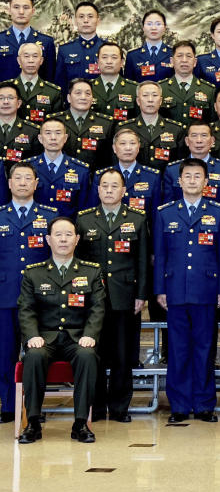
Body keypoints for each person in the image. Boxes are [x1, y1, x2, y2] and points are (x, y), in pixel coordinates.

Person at [154, 158, 220, 423]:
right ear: (179, 180)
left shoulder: (219, 212)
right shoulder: (165, 212)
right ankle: (179, 405)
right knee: (177, 350)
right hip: (174, 290)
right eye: (187, 176)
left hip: (207, 290)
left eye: (198, 176)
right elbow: (160, 256)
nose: (192, 181)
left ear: (206, 182)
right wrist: (159, 289)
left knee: (205, 349)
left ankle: (204, 404)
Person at [17, 216, 105, 444]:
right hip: (44, 338)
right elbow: (26, 310)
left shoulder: (92, 272)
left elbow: (98, 308)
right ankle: (33, 423)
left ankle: (80, 424)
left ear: (77, 239)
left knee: (87, 356)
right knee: (33, 356)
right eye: (58, 235)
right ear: (48, 239)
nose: (63, 239)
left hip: (77, 338)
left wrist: (90, 335)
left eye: (68, 235)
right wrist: (32, 336)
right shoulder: (33, 273)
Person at [76, 169, 149, 423]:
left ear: (123, 190)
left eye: (114, 186)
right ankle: (95, 407)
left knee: (122, 354)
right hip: (92, 299)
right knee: (92, 353)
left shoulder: (137, 219)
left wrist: (142, 294)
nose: (109, 190)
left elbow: (142, 260)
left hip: (124, 295)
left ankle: (119, 407)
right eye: (104, 185)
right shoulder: (84, 219)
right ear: (97, 190)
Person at [0, 162, 57, 425]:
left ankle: (33, 407)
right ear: (9, 184)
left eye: (28, 178)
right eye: (17, 178)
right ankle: (9, 405)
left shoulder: (50, 216)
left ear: (36, 184)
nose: (23, 182)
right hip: (5, 295)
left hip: (40, 299)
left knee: (36, 355)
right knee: (5, 354)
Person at [27, 117, 93, 219]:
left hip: (65, 231)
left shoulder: (80, 170)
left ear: (65, 138)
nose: (53, 137)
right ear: (40, 138)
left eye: (58, 133)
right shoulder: (28, 167)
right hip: (35, 228)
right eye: (48, 133)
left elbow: (82, 210)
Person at [118, 81, 186, 172]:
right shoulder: (125, 128)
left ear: (161, 101)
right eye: (145, 95)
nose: (150, 99)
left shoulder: (175, 129)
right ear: (138, 101)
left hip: (164, 182)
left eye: (154, 95)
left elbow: (180, 164)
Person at [51, 77, 114, 170]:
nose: (83, 97)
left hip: (92, 178)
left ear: (92, 98)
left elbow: (109, 159)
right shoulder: (55, 121)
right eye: (78, 93)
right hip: (61, 176)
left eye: (88, 94)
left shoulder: (106, 123)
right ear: (69, 98)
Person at [103, 127, 162, 214]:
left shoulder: (152, 177)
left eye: (132, 143)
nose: (128, 148)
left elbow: (156, 213)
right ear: (114, 148)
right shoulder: (102, 176)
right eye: (122, 143)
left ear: (138, 147)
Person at [0, 0, 55, 82]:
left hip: (35, 95)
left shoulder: (46, 42)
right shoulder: (1, 40)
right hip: (5, 95)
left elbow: (50, 77)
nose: (21, 12)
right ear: (9, 10)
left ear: (33, 11)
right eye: (16, 7)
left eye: (26, 8)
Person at [158, 40, 217, 124]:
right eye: (179, 56)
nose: (184, 60)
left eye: (189, 56)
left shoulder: (209, 90)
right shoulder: (160, 88)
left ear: (195, 62)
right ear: (171, 61)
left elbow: (212, 122)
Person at [54, 2, 103, 91]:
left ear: (98, 20)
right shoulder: (65, 49)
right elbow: (60, 84)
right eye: (81, 17)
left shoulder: (109, 48)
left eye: (90, 16)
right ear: (75, 21)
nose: (86, 20)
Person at [13, 41, 61, 123]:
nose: (31, 60)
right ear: (19, 60)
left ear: (41, 60)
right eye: (26, 56)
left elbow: (56, 124)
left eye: (35, 56)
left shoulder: (53, 92)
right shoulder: (6, 89)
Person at [90, 42, 138, 122]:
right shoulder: (88, 87)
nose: (109, 61)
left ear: (122, 62)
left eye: (114, 57)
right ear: (98, 61)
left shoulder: (134, 89)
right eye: (104, 57)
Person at [123, 9, 173, 82]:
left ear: (165, 28)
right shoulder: (132, 56)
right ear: (143, 27)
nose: (153, 28)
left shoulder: (173, 54)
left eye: (158, 24)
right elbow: (128, 86)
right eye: (149, 24)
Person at [0, 81, 40, 166]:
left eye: (10, 98)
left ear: (18, 103)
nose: (5, 102)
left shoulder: (33, 131)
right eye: (1, 98)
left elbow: (36, 163)